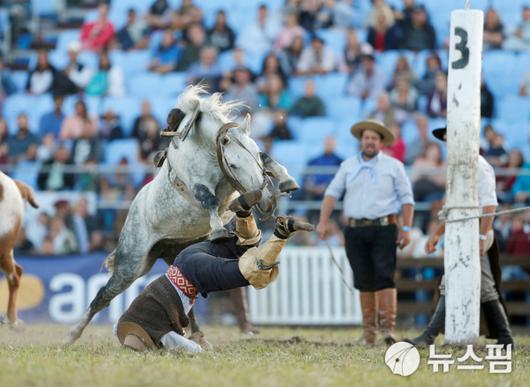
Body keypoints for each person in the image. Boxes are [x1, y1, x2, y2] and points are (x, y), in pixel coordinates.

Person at [115, 191, 313, 352]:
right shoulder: (140, 310)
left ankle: (282, 231)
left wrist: (200, 351)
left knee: (254, 273)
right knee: (243, 249)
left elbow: (190, 349)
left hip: (194, 273)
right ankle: (244, 213)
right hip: (186, 258)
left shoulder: (158, 330)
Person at [407, 127, 514, 348]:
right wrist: (436, 234)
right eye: (446, 140)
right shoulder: (456, 168)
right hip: (462, 231)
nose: (447, 144)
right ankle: (505, 338)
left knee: (454, 281)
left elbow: (490, 204)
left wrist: (481, 236)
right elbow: (454, 209)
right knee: (482, 286)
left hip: (476, 231)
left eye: (450, 139)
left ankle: (429, 336)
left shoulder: (480, 166)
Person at [317, 119, 415, 346]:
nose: (369, 142)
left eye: (374, 138)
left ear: (381, 142)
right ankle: (369, 332)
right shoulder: (348, 166)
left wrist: (407, 229)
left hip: (384, 227)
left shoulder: (394, 166)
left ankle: (388, 329)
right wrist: (323, 222)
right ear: (361, 140)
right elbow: (331, 194)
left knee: (384, 275)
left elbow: (407, 199)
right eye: (366, 137)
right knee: (363, 278)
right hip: (355, 229)